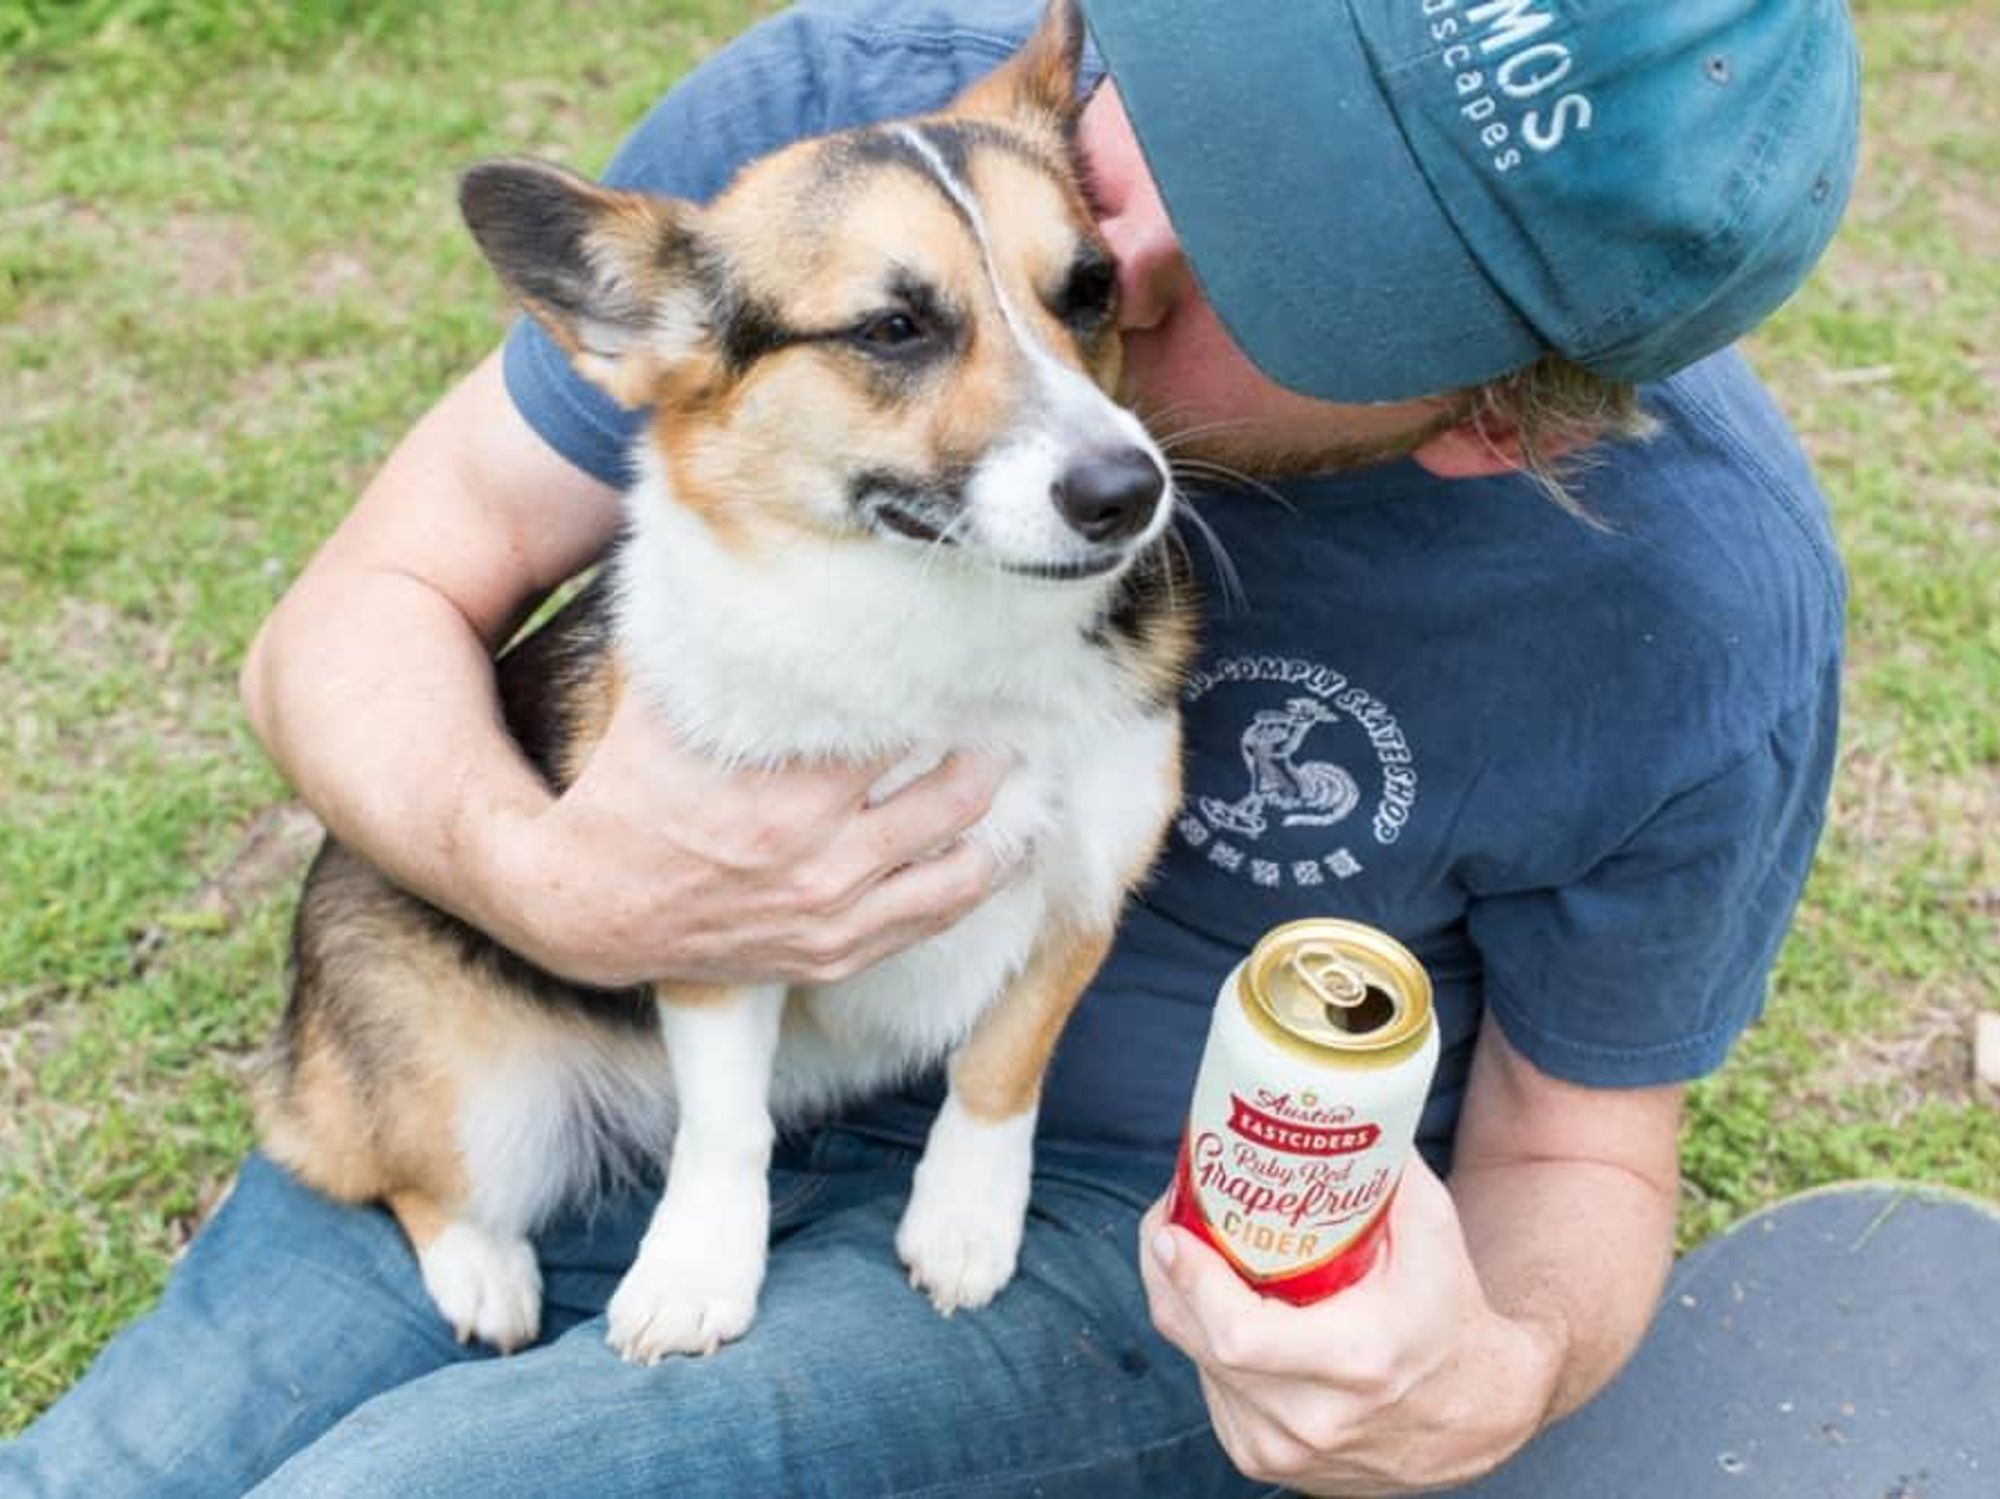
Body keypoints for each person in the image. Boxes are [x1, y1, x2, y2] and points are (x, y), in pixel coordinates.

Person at [0, 1, 1876, 1494]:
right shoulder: (860, 137)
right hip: (576, 1034)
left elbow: (1585, 1156)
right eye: (1190, 116)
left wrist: (1491, 1377)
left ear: (1496, 422)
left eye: (1282, 259)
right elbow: (362, 610)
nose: (1113, 248)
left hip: (1100, 1218)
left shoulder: (1696, 605)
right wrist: (559, 888)